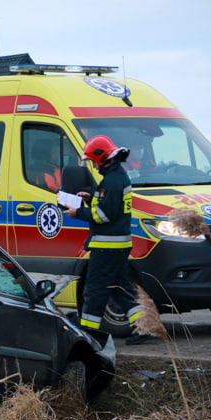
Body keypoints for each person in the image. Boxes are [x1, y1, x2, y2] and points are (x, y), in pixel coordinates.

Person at [63, 135, 149, 344]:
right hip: (120, 245)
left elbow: (103, 215)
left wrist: (78, 212)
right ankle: (142, 328)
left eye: (93, 160)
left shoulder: (110, 181)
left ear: (102, 158)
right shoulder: (120, 177)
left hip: (106, 246)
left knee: (95, 289)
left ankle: (89, 334)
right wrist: (91, 198)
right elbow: (113, 206)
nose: (92, 164)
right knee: (121, 288)